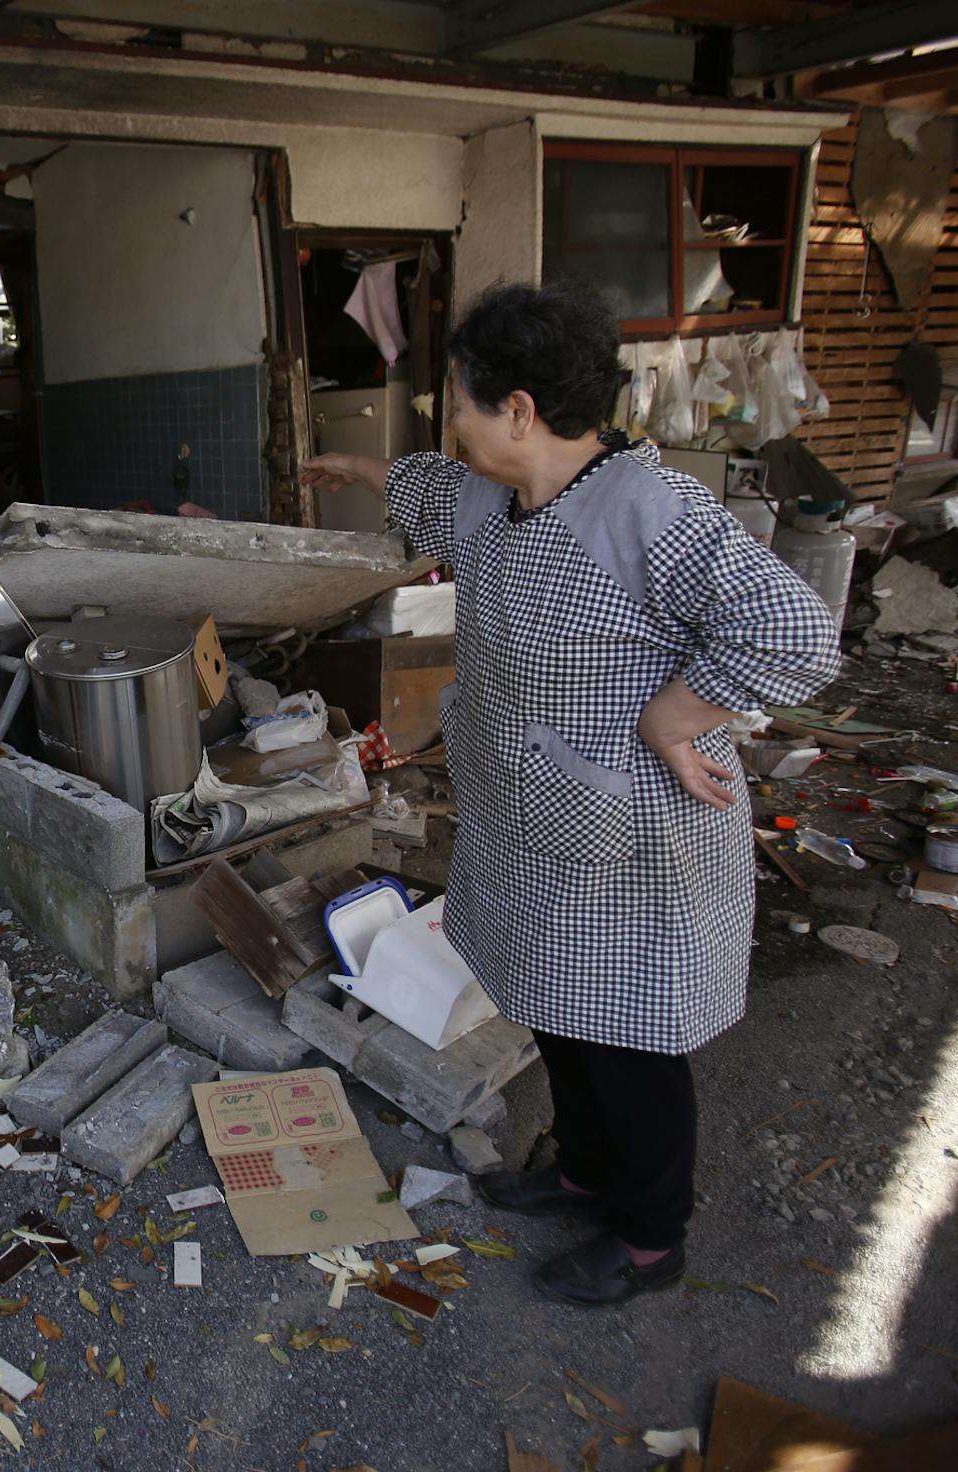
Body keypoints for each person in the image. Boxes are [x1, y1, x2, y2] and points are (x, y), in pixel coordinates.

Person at [302, 280, 839, 1307]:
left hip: (627, 832)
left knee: (629, 1034)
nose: (446, 420)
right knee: (559, 1006)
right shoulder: (485, 496)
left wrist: (673, 716)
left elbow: (795, 633)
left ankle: (649, 1235)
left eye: (458, 400)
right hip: (531, 816)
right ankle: (585, 1169)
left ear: (517, 411)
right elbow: (416, 484)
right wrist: (355, 467)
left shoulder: (650, 509)